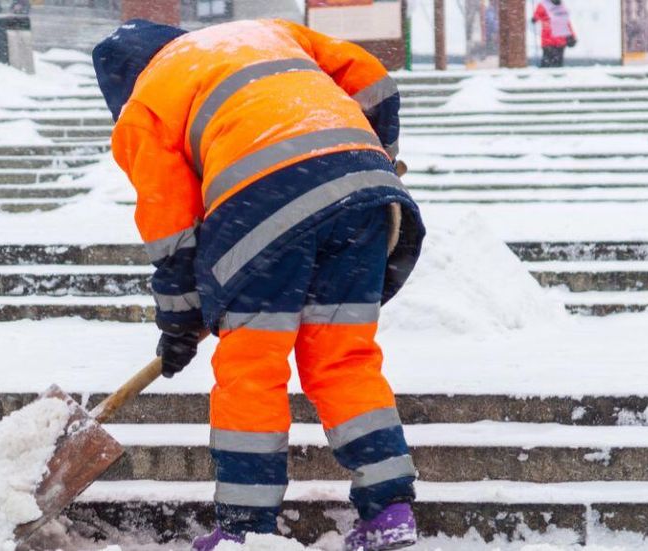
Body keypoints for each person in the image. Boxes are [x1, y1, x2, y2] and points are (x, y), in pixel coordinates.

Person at [92, 18, 425, 551]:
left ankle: (246, 530)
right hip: (365, 194)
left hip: (262, 206)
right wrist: (373, 151)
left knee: (253, 367)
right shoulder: (267, 31)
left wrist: (179, 323)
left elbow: (172, 234)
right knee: (344, 359)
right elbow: (373, 80)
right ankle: (389, 511)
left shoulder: (144, 107)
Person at [532, 0, 577, 68]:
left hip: (559, 41)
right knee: (547, 65)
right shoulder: (544, 5)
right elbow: (537, 16)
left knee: (556, 65)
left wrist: (571, 36)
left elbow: (565, 22)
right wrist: (535, 18)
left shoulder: (561, 5)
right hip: (549, 41)